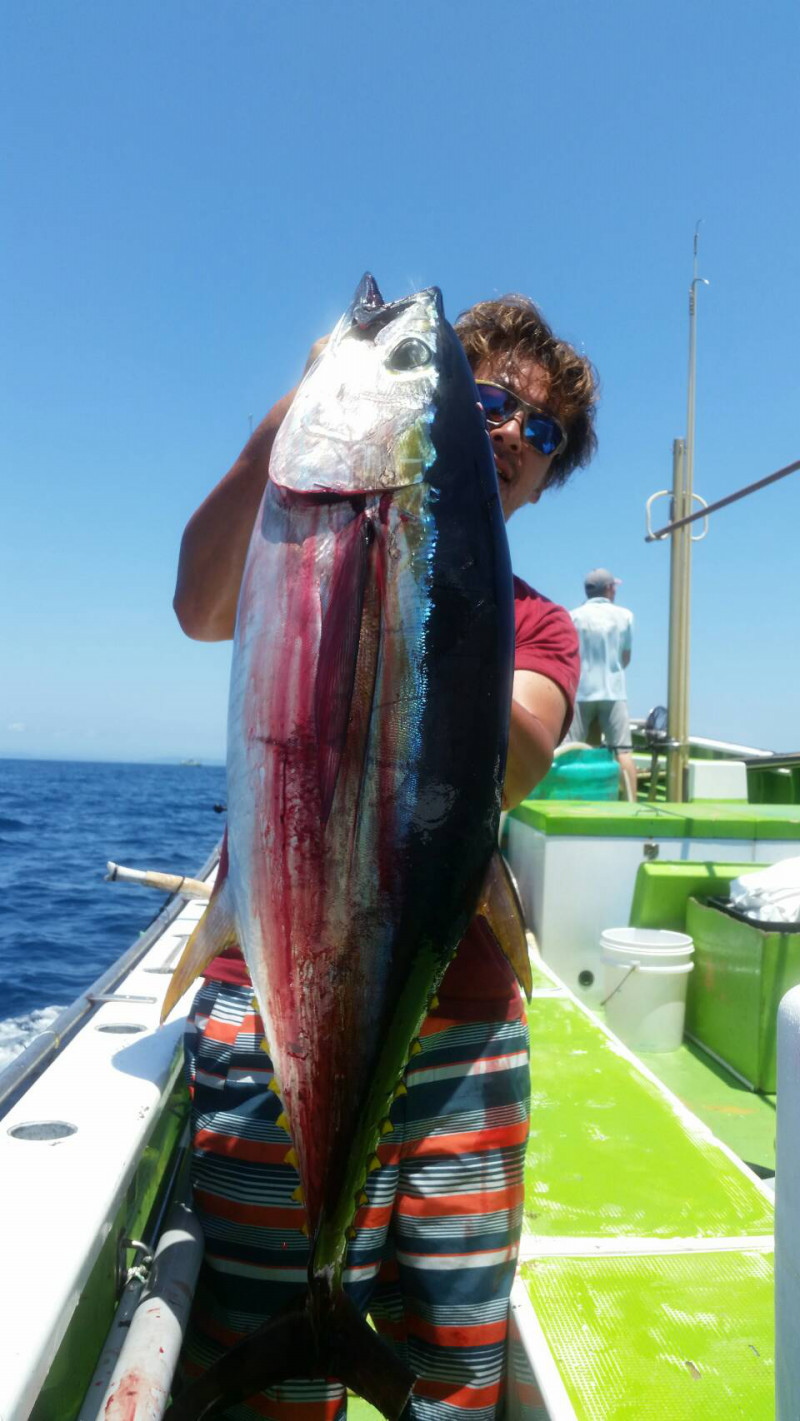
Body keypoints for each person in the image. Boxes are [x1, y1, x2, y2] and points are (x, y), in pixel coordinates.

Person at [172, 294, 598, 1420]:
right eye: (488, 403)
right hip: (269, 1009)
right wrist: (286, 423)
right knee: (278, 1355)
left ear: (546, 479)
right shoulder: (293, 529)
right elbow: (197, 604)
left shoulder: (537, 626)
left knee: (457, 1359)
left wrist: (444, 599)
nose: (509, 432)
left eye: (539, 432)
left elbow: (507, 759)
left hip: (459, 1031)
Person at [568, 569, 636, 800]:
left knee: (571, 752)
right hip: (613, 692)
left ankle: (571, 799)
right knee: (622, 751)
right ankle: (631, 805)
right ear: (608, 588)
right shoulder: (625, 616)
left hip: (580, 692)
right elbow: (625, 658)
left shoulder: (572, 616)